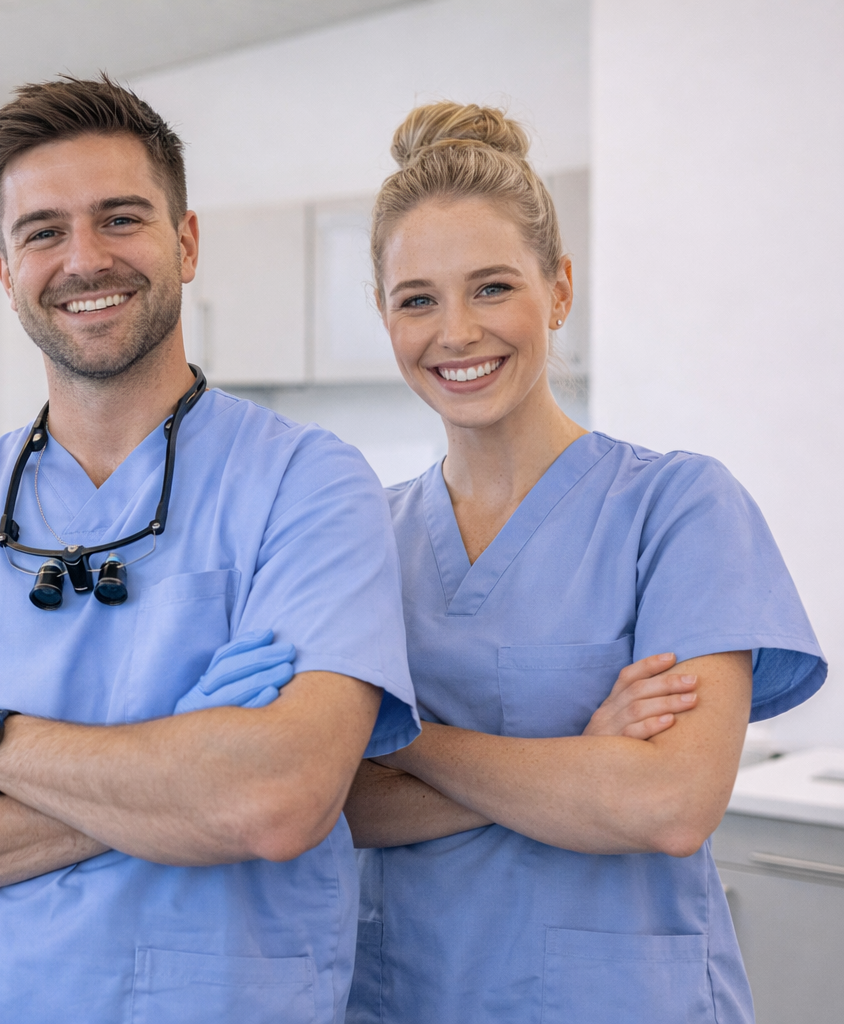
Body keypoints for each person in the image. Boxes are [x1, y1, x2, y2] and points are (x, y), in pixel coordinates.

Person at [0, 75, 420, 1024]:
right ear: (6, 271)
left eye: (119, 218)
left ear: (186, 241)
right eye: (43, 231)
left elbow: (274, 798)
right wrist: (172, 787)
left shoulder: (308, 484)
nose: (83, 258)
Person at [341, 103, 826, 1024]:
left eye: (492, 287)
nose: (456, 332)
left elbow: (668, 803)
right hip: (406, 994)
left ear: (558, 289)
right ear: (385, 316)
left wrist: (406, 743)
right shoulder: (365, 537)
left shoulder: (677, 508)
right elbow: (329, 804)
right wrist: (576, 763)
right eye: (418, 299)